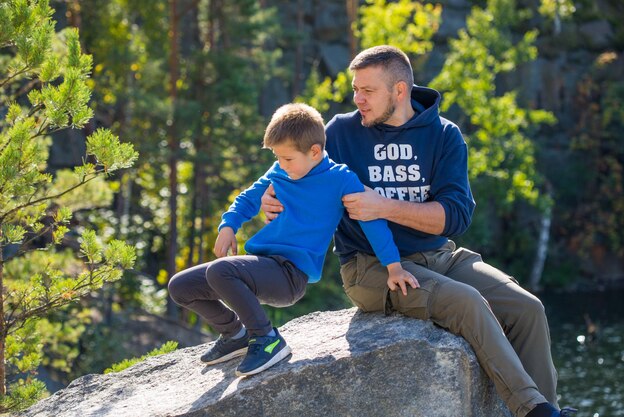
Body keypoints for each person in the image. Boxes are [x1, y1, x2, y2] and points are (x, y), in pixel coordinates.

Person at [261, 46, 576, 417]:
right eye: (355, 89)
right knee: (467, 303)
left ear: (399, 91)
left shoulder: (444, 136)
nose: (357, 99)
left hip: (440, 256)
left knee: (528, 308)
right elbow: (291, 171)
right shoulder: (340, 133)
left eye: (368, 91)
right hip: (370, 267)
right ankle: (535, 411)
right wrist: (273, 199)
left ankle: (550, 407)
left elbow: (456, 216)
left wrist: (383, 206)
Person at [168, 102, 416, 377]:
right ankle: (235, 335)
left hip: (289, 275)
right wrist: (228, 225)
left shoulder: (341, 179)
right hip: (262, 264)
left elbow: (372, 222)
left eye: (288, 159)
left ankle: (267, 339)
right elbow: (248, 198)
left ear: (314, 151)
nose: (282, 166)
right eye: (278, 158)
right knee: (181, 286)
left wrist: (394, 266)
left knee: (220, 271)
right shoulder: (279, 171)